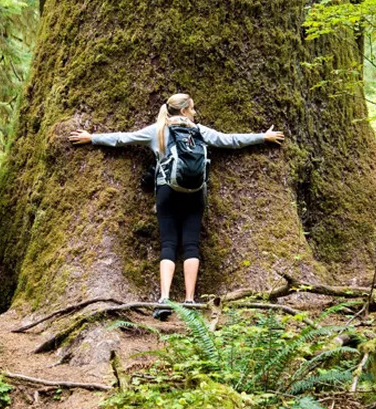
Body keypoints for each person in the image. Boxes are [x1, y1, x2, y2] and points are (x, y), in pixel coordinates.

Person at [69, 93, 284, 320]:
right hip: (195, 194)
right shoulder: (200, 131)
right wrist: (263, 137)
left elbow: (123, 138)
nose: (194, 113)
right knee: (191, 244)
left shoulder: (158, 131)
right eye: (192, 109)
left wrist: (91, 137)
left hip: (167, 192)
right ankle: (190, 300)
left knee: (168, 244)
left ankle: (164, 299)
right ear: (183, 111)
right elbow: (230, 140)